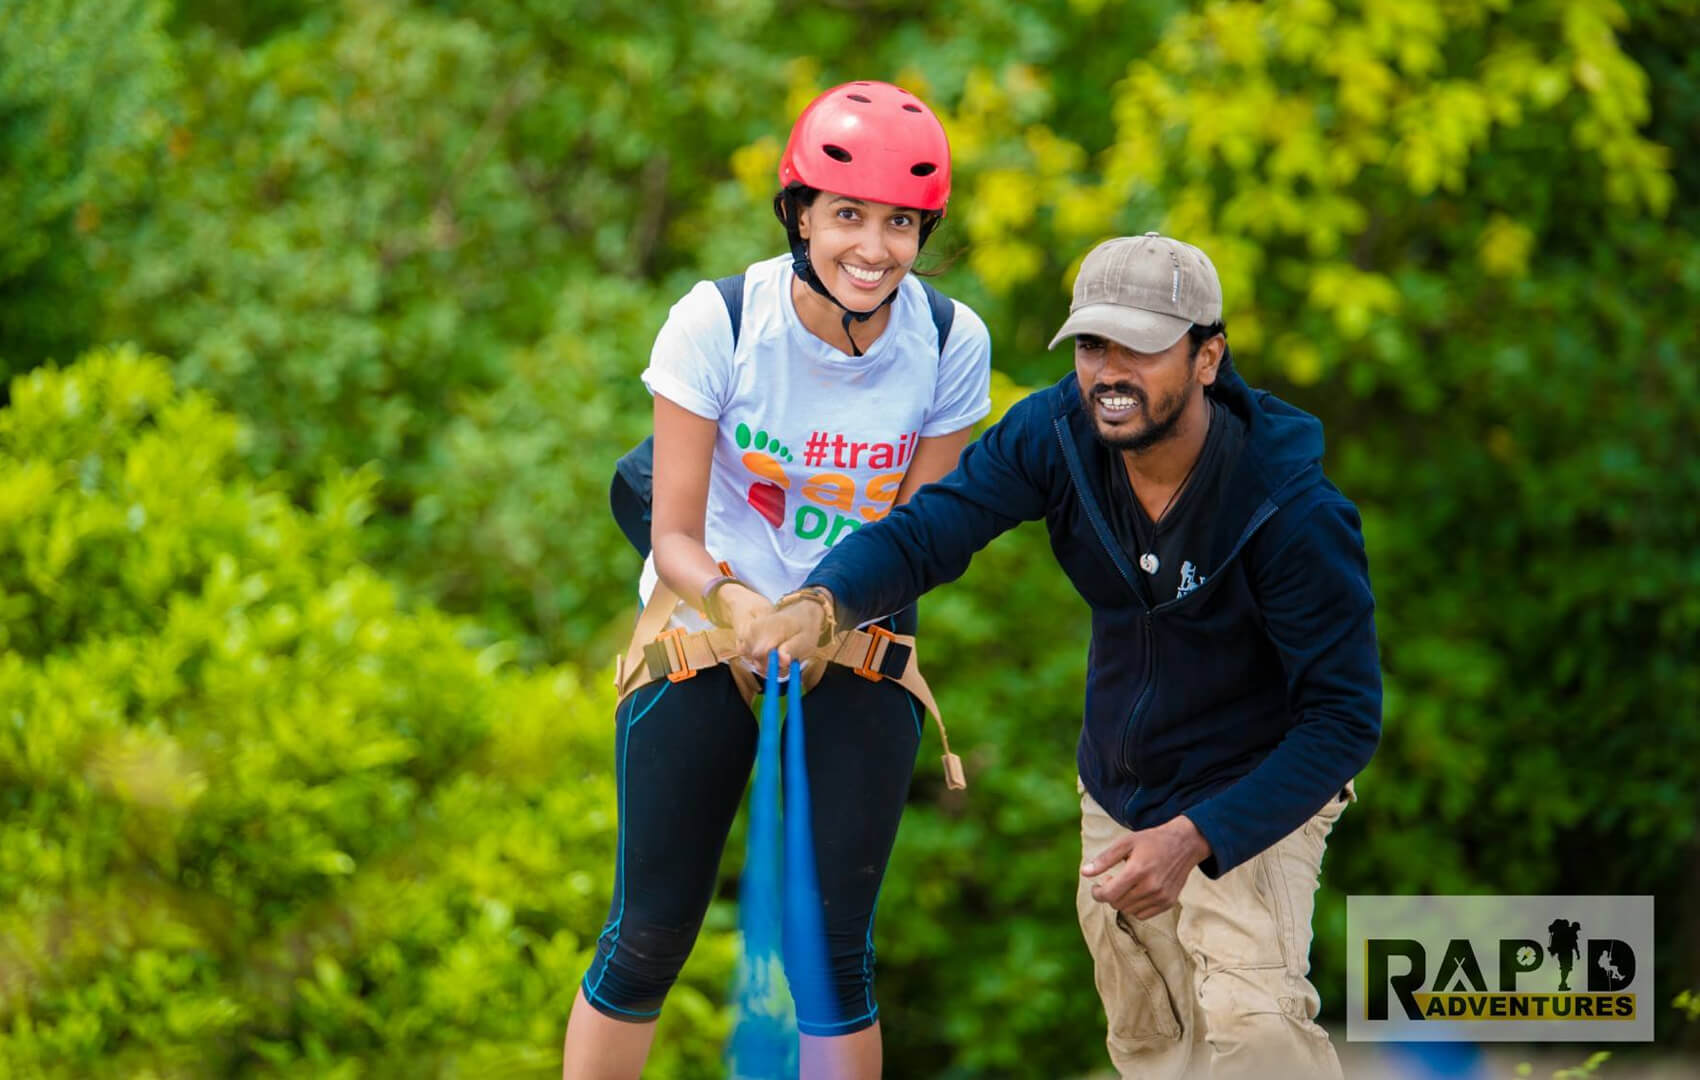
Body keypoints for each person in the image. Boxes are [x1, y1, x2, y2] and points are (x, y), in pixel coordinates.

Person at [744, 233, 1382, 1078]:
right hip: (1119, 790)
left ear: (1207, 357)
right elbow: (933, 529)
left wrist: (1195, 837)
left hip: (1253, 792)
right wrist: (822, 603)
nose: (1110, 372)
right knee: (1153, 1042)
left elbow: (1343, 721)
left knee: (1253, 1028)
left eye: (1142, 347)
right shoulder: (1055, 433)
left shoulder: (1291, 508)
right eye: (1091, 344)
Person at [562, 81, 992, 1080]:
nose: (872, 248)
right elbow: (669, 531)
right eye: (847, 216)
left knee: (833, 960)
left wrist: (821, 611)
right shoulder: (717, 323)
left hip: (853, 631)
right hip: (709, 622)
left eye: (898, 224)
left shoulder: (948, 340)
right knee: (650, 933)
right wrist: (737, 603)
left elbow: (924, 537)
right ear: (800, 215)